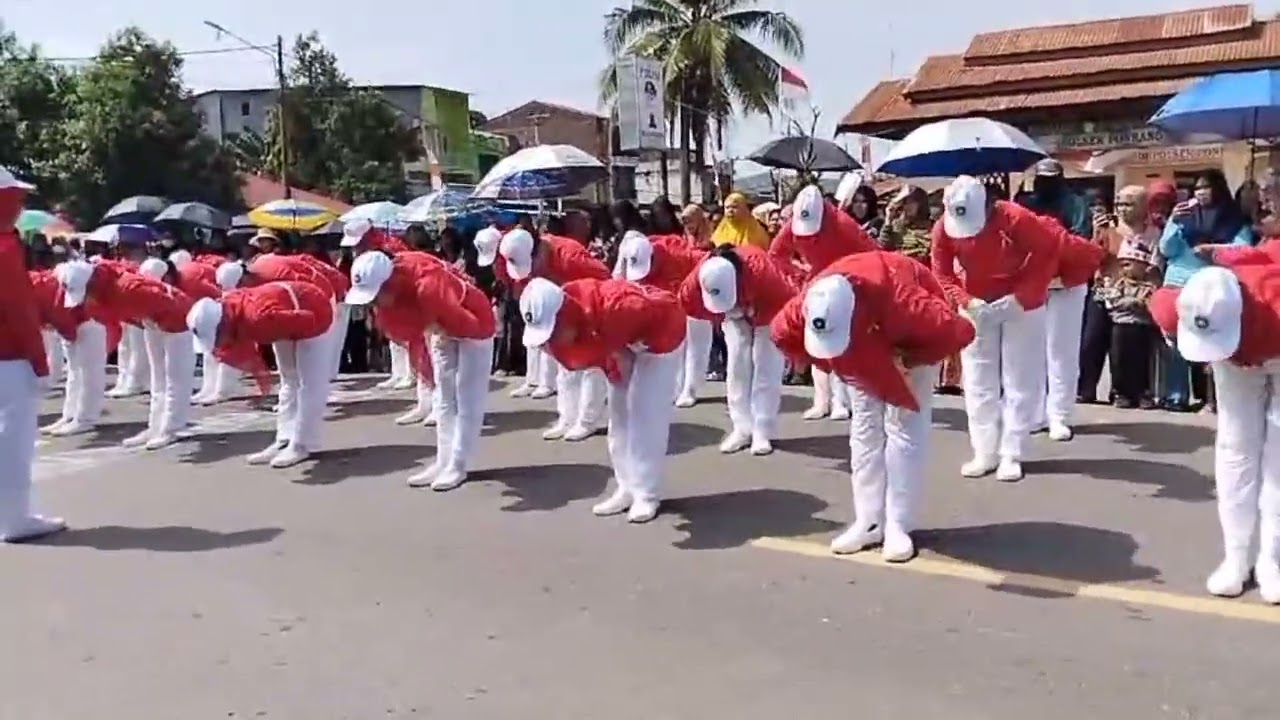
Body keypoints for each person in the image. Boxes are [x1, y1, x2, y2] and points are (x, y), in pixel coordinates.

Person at [772, 251, 975, 559]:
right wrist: (825, 361)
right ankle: (868, 521)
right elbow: (782, 336)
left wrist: (909, 359)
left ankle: (898, 524)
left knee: (904, 431)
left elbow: (961, 331)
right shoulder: (808, 305)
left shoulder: (908, 303)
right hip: (860, 349)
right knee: (865, 430)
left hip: (910, 342)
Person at [1149, 264, 1280, 602]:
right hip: (1238, 360)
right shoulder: (1174, 306)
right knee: (1235, 446)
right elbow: (1158, 304)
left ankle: (1272, 558)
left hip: (1275, 341)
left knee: (1277, 454)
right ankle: (1236, 556)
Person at [519, 276, 686, 523]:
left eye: (553, 331)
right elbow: (605, 356)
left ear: (564, 313)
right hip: (622, 342)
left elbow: (623, 354)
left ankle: (646, 494)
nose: (550, 340)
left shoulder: (617, 308)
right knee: (618, 418)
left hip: (661, 334)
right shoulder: (570, 320)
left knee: (645, 413)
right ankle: (626, 487)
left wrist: (620, 363)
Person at [931, 175, 1063, 482]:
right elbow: (941, 270)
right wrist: (965, 300)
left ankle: (1012, 451)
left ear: (990, 205)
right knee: (977, 378)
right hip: (976, 304)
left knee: (1019, 377)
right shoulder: (944, 226)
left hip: (1021, 303)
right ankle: (984, 451)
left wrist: (1022, 297)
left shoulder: (1017, 218)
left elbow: (1046, 255)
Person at [345, 250, 496, 490]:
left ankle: (458, 464)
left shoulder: (428, 286)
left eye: (375, 296)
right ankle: (443, 460)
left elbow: (467, 324)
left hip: (474, 323)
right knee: (443, 396)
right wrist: (434, 329)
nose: (373, 303)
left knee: (467, 396)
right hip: (440, 328)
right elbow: (408, 330)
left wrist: (437, 326)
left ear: (388, 282)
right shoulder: (395, 290)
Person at [187, 281, 334, 468]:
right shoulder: (236, 310)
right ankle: (285, 438)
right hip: (286, 312)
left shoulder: (259, 318)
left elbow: (309, 320)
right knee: (289, 380)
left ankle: (302, 444)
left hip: (315, 311)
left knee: (311, 384)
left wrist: (301, 343)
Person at [58, 258, 200, 450]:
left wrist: (160, 324)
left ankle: (171, 428)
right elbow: (121, 318)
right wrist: (147, 323)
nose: (84, 298)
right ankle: (155, 426)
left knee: (175, 377)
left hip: (177, 321)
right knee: (157, 377)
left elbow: (170, 303)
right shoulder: (103, 292)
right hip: (152, 321)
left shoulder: (128, 288)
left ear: (91, 283)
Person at [770, 185, 879, 421]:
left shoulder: (844, 225)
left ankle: (841, 400)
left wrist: (857, 278)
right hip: (815, 287)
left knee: (842, 343)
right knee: (816, 343)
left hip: (846, 286)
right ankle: (821, 400)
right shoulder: (795, 224)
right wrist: (798, 271)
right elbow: (776, 254)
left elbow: (873, 255)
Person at [495, 227, 613, 442]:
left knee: (592, 369)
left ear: (538, 250)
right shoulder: (520, 255)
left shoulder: (571, 256)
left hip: (590, 313)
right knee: (565, 369)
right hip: (555, 317)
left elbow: (605, 279)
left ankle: (587, 421)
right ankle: (567, 418)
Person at [680, 244, 798, 455]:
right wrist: (724, 314)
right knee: (736, 365)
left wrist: (749, 312)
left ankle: (763, 429)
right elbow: (691, 308)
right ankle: (742, 428)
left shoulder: (763, 274)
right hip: (733, 314)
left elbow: (782, 303)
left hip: (770, 310)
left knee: (765, 364)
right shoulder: (695, 283)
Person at [0, 167, 64, 541]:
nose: (20, 204)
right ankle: (15, 519)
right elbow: (19, 310)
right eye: (14, 198)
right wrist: (40, 362)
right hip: (9, 357)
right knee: (14, 441)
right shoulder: (6, 247)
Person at [1159, 170, 1255, 412]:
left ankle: (1212, 400)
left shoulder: (1232, 219)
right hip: (1178, 284)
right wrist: (1173, 221)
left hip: (1211, 288)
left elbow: (1243, 248)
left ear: (1219, 189)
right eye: (1197, 188)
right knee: (1175, 343)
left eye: (1206, 187)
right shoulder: (1185, 216)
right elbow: (1167, 249)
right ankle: (1176, 396)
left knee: (1213, 343)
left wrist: (1213, 250)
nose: (1200, 192)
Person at [613, 229, 709, 407]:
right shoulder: (631, 252)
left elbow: (707, 261)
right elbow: (620, 283)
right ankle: (675, 386)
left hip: (694, 298)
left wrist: (690, 288)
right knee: (673, 346)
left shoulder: (676, 251)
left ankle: (691, 388)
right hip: (667, 305)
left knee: (696, 342)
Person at [1031, 214, 1105, 441]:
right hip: (1036, 287)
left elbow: (1095, 257)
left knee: (1061, 350)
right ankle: (1034, 414)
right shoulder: (1019, 244)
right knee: (1032, 350)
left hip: (1069, 287)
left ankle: (1059, 415)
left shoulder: (1070, 247)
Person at [340, 219, 417, 390]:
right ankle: (398, 373)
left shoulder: (389, 247)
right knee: (390, 333)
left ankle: (411, 372)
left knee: (404, 335)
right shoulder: (362, 250)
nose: (355, 247)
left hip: (395, 295)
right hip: (375, 295)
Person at [169, 250, 241, 405]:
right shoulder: (221, 292)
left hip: (230, 329)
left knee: (225, 357)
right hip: (215, 321)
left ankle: (222, 390)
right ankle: (208, 388)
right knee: (210, 355)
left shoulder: (238, 295)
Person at [1095, 241, 1158, 408]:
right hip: (1120, 326)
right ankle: (1120, 392)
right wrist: (1135, 302)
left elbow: (1151, 303)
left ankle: (1142, 393)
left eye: (1130, 264)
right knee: (1119, 359)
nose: (1125, 269)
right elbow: (1112, 302)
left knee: (1141, 361)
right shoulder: (1117, 284)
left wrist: (1135, 303)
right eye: (1122, 265)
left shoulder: (1149, 287)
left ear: (1143, 265)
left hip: (1142, 326)